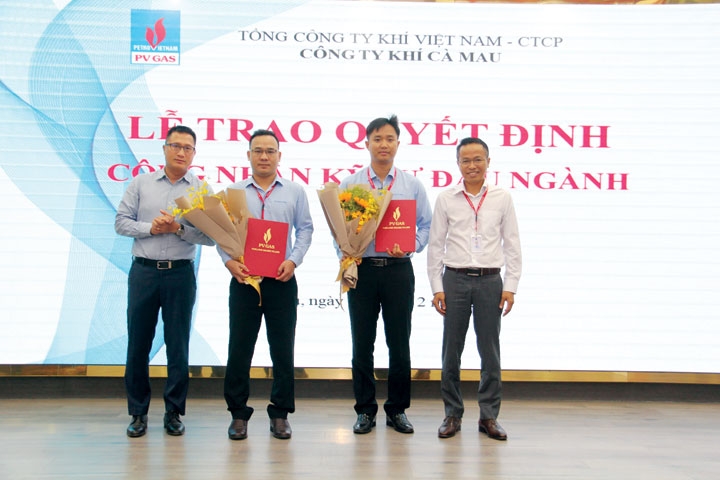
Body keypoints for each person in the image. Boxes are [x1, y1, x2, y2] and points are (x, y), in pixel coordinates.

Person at [115, 125, 215, 438]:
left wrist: (178, 229)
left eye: (188, 148)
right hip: (144, 272)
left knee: (178, 345)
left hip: (180, 274)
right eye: (176, 146)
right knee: (138, 344)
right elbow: (121, 223)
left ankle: (173, 412)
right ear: (164, 149)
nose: (181, 152)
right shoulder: (141, 183)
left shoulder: (201, 191)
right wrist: (152, 228)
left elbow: (212, 237)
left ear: (194, 153)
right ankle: (138, 413)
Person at [339, 115, 433, 434]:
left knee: (399, 343)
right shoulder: (351, 185)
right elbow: (339, 230)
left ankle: (397, 410)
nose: (384, 144)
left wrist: (410, 246)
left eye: (390, 138)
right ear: (366, 143)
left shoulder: (411, 185)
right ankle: (365, 410)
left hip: (398, 271)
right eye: (377, 138)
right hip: (363, 271)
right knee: (362, 343)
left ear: (398, 144)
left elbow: (426, 226)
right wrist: (347, 254)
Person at [219, 129, 313, 441]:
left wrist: (293, 260)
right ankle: (238, 414)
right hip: (244, 280)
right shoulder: (233, 192)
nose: (264, 156)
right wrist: (229, 261)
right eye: (258, 150)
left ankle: (281, 414)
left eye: (270, 151)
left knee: (283, 349)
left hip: (281, 280)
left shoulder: (295, 191)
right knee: (239, 348)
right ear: (248, 155)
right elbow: (221, 233)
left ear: (279, 156)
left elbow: (305, 229)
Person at [427, 137, 522, 441]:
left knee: (490, 351)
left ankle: (489, 416)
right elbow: (435, 246)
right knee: (451, 350)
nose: (472, 165)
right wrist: (437, 287)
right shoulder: (446, 198)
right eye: (465, 160)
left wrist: (511, 286)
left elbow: (512, 243)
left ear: (488, 162)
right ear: (458, 164)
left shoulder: (502, 198)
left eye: (478, 159)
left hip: (490, 281)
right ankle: (452, 414)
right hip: (454, 279)